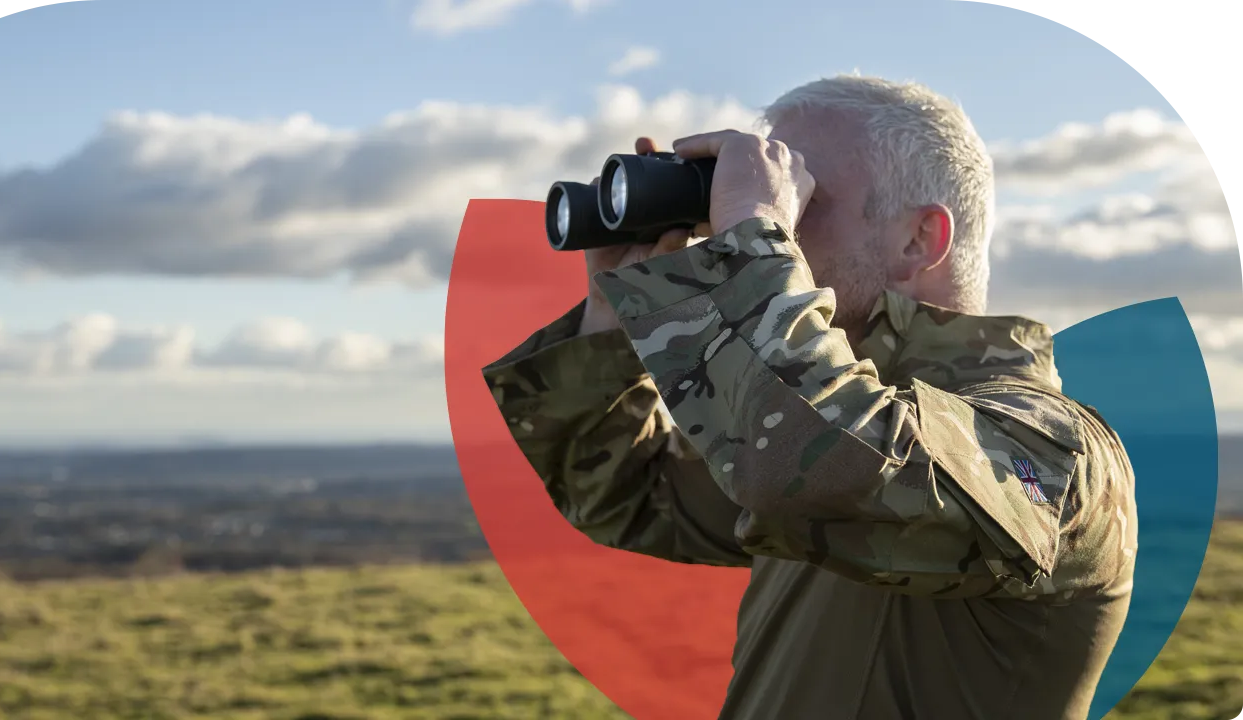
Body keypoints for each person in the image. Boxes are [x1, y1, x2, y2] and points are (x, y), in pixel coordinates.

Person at [481, 75, 1138, 720]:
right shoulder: (798, 426)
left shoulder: (1060, 455)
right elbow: (628, 494)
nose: (756, 225)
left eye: (800, 199)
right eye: (773, 197)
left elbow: (832, 461)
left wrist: (753, 237)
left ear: (919, 240)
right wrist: (612, 315)